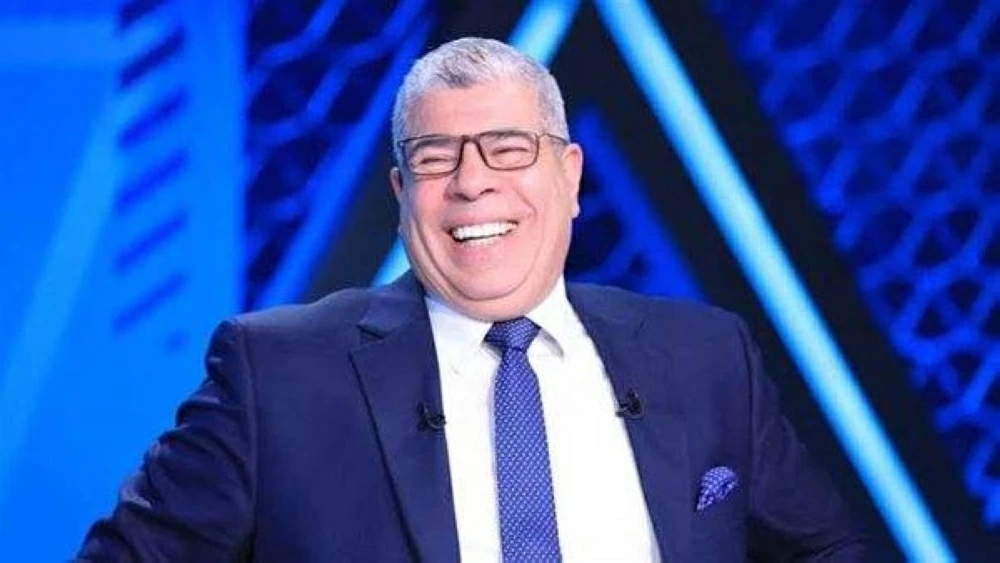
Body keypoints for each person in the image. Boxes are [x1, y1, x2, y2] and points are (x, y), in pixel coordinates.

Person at [78, 37, 869, 561]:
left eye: (508, 149)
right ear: (402, 192)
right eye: (436, 157)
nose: (472, 181)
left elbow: (832, 550)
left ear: (569, 176)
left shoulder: (707, 356)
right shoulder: (277, 372)